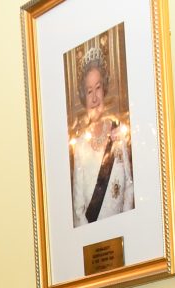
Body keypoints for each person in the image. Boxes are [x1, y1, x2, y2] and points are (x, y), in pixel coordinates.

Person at [68, 48, 135, 226]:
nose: (95, 97)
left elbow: (128, 186)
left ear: (104, 89)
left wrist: (125, 224)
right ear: (84, 96)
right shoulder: (80, 145)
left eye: (98, 88)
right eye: (89, 91)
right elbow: (78, 207)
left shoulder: (118, 133)